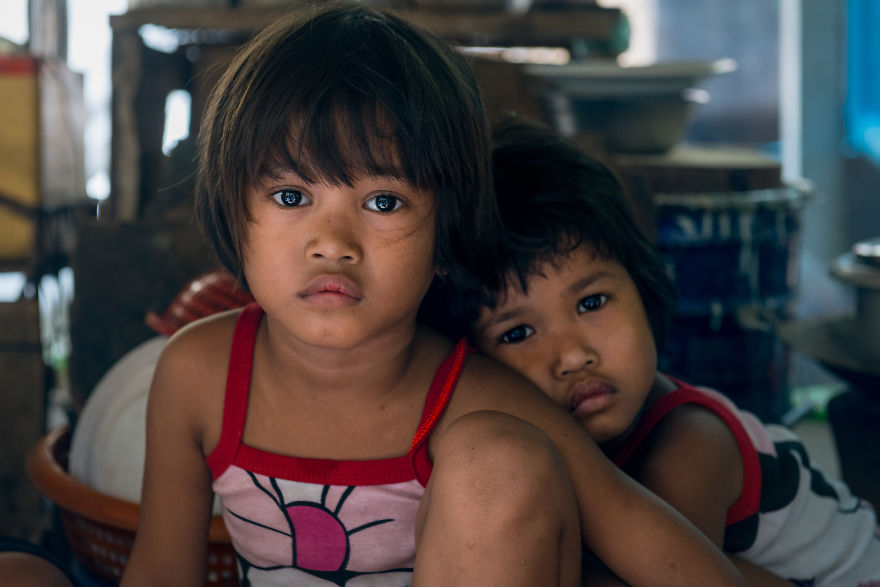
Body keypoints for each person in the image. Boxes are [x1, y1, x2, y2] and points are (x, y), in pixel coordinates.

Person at [120, 4, 748, 586]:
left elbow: (673, 561)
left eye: (383, 201)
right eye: (291, 197)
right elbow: (160, 574)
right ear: (235, 215)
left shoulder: (486, 402)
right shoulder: (198, 375)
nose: (332, 243)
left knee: (496, 460)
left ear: (446, 235)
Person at [427, 114, 880, 586]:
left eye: (592, 302)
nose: (573, 356)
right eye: (518, 333)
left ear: (643, 289)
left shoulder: (690, 445)